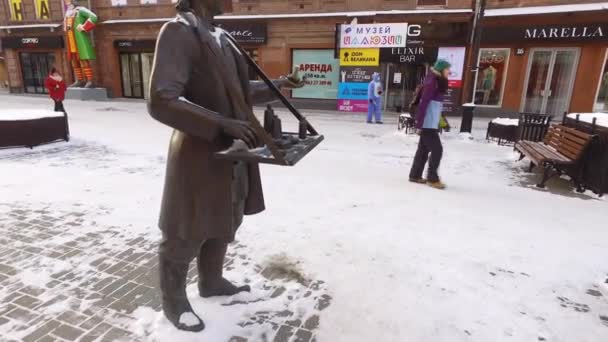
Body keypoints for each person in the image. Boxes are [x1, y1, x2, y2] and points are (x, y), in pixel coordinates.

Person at [147, 0, 304, 332]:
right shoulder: (178, 32)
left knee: (224, 219)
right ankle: (174, 301)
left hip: (233, 149)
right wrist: (220, 123)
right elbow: (162, 98)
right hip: (198, 152)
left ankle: (212, 281)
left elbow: (240, 92)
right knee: (186, 230)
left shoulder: (220, 35)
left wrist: (281, 83)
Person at [409, 59, 451, 189]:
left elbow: (436, 106)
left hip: (431, 121)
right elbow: (424, 103)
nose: (449, 71)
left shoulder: (437, 81)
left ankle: (415, 175)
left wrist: (442, 121)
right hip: (427, 122)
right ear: (441, 69)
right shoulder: (432, 82)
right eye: (447, 69)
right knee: (437, 149)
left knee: (423, 149)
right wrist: (419, 124)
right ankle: (432, 178)